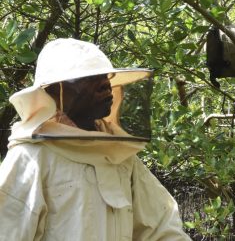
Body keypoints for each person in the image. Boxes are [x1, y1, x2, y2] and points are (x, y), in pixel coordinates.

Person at [0, 38, 191, 240]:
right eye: (88, 78)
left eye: (105, 76)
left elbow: (161, 226)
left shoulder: (118, 155)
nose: (105, 85)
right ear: (55, 90)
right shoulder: (30, 158)